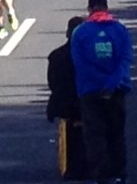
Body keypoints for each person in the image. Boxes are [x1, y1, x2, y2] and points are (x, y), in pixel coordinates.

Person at [71, 0, 133, 184]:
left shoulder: (80, 33)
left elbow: (80, 64)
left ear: (89, 9)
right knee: (116, 133)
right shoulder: (120, 30)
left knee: (95, 135)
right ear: (107, 7)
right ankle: (120, 173)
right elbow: (125, 60)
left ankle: (101, 176)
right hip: (116, 90)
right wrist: (112, 83)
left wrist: (99, 82)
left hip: (90, 90)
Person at [48, 15, 89, 179]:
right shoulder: (91, 56)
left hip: (64, 104)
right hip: (87, 104)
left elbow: (52, 83)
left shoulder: (56, 56)